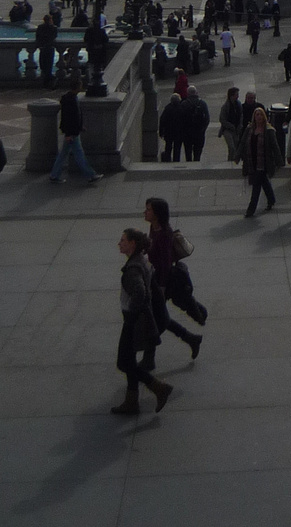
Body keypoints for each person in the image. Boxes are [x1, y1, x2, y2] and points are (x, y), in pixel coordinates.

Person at [110, 228, 173, 416]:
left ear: (132, 244)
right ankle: (131, 401)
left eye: (123, 240)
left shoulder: (133, 269)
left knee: (124, 362)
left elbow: (140, 292)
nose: (119, 243)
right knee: (129, 360)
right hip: (140, 319)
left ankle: (158, 387)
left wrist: (131, 313)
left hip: (133, 321)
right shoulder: (142, 262)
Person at [142, 198, 203, 367]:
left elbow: (166, 262)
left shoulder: (165, 234)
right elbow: (153, 250)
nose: (145, 212)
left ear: (157, 214)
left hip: (162, 283)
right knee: (160, 319)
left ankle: (149, 358)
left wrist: (161, 287)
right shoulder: (154, 228)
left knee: (155, 320)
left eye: (148, 210)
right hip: (155, 279)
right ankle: (191, 339)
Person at [49, 77, 99, 184]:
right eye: (80, 86)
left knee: (63, 154)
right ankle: (90, 175)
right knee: (79, 155)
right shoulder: (72, 100)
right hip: (72, 133)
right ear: (77, 87)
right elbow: (71, 118)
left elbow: (70, 118)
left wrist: (79, 127)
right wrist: (70, 133)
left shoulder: (68, 99)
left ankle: (54, 174)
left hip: (71, 132)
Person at [235, 105, 279, 216]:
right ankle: (271, 200)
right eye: (256, 115)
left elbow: (275, 146)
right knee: (264, 181)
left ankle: (251, 209)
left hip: (263, 162)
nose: (258, 117)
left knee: (256, 185)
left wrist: (279, 161)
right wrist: (237, 155)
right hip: (251, 161)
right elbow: (243, 142)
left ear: (264, 117)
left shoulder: (268, 130)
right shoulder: (249, 129)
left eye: (260, 114)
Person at [179, 86, 210, 162]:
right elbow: (207, 118)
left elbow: (180, 119)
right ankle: (196, 163)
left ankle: (189, 164)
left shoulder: (184, 104)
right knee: (197, 152)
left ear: (187, 93)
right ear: (196, 93)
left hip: (187, 133)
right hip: (199, 132)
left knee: (188, 152)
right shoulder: (202, 103)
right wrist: (203, 129)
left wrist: (183, 130)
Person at [217, 87, 242, 162]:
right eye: (236, 94)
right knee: (231, 147)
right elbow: (222, 119)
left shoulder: (238, 104)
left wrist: (240, 125)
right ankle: (230, 161)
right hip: (227, 129)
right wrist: (230, 125)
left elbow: (241, 115)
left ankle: (234, 160)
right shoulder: (225, 106)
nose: (237, 96)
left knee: (236, 146)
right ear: (231, 95)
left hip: (236, 129)